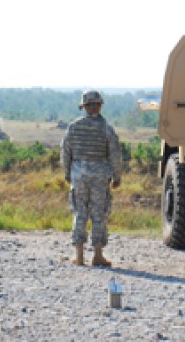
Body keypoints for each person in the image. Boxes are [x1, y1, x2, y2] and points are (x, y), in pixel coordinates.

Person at [61, 90, 122, 267]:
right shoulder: (106, 128)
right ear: (100, 105)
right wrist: (117, 177)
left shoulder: (73, 127)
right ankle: (98, 255)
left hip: (78, 174)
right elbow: (115, 155)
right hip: (100, 175)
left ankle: (79, 255)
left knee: (80, 212)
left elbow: (65, 153)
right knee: (99, 214)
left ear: (84, 107)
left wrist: (67, 173)